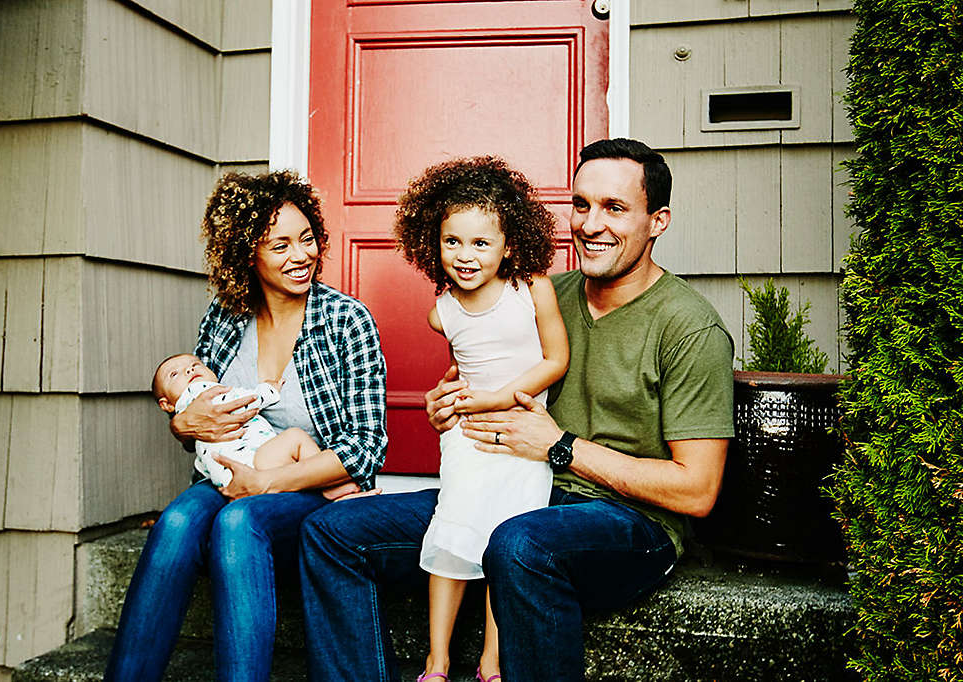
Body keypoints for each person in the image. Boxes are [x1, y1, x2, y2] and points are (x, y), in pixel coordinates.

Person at [299, 138, 734, 681]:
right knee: (331, 531)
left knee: (518, 543)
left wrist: (561, 447)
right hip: (511, 482)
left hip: (628, 523)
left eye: (615, 208)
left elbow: (696, 490)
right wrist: (448, 405)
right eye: (581, 205)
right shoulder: (536, 294)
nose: (591, 224)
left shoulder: (689, 328)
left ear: (658, 221)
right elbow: (475, 371)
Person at [104, 171, 387, 682]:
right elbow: (192, 408)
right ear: (246, 253)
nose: (301, 255)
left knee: (239, 522)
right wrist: (183, 425)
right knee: (177, 521)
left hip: (311, 488)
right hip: (229, 476)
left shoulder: (347, 320)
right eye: (280, 244)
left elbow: (366, 450)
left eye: (307, 239)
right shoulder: (226, 314)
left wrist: (266, 483)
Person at [392, 157, 569, 682]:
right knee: (453, 531)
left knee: (505, 540)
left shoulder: (531, 288)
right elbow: (460, 368)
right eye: (452, 242)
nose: (465, 256)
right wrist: (459, 400)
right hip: (468, 438)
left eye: (480, 243)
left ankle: (491, 664)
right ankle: (436, 661)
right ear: (433, 242)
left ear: (509, 244)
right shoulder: (440, 311)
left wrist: (494, 399)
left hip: (520, 433)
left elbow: (555, 360)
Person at [152, 353, 358, 498]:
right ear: (166, 404)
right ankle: (329, 486)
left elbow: (200, 460)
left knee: (179, 519)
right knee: (295, 437)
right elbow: (243, 401)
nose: (190, 369)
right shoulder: (204, 393)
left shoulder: (189, 411)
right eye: (174, 374)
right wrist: (269, 391)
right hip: (256, 464)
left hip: (227, 481)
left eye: (196, 364)